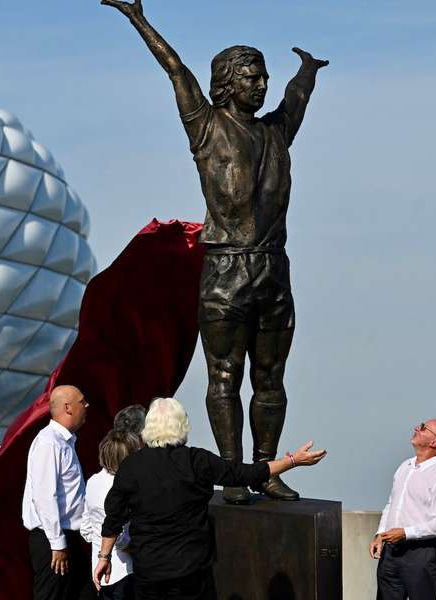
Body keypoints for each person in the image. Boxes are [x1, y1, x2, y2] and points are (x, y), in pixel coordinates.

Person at [101, 0, 329, 504]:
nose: (261, 85)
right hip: (225, 268)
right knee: (224, 374)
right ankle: (233, 475)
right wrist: (139, 19)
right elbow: (175, 69)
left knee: (271, 377)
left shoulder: (275, 132)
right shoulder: (205, 125)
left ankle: (266, 470)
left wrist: (307, 71)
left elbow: (296, 101)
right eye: (251, 78)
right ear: (226, 82)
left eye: (264, 78)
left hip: (272, 267)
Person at [93, 397, 326, 599]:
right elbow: (244, 473)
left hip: (149, 570)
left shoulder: (132, 466)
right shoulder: (198, 461)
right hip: (190, 570)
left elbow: (113, 515)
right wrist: (292, 461)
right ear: (182, 426)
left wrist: (104, 557)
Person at [370, 418, 436, 600]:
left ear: (435, 442)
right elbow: (392, 504)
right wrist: (380, 533)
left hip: (421, 555)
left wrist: (407, 533)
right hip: (391, 552)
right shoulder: (404, 466)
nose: (417, 428)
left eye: (424, 428)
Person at [22, 385, 91, 600]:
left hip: (68, 537)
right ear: (68, 408)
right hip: (53, 541)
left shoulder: (64, 442)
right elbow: (44, 497)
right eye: (82, 401)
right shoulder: (49, 443)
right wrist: (57, 544)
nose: (87, 405)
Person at [81, 430, 142, 600]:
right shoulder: (124, 488)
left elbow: (86, 529)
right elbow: (121, 537)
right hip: (125, 570)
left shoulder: (93, 481)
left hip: (100, 569)